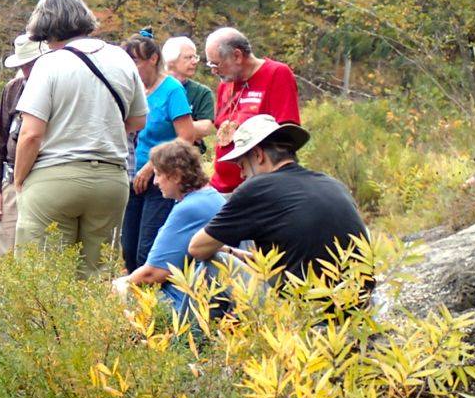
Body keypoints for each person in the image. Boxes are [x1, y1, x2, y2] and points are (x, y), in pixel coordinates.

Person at [12, 0, 148, 277]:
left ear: (45, 29)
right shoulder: (121, 58)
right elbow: (138, 120)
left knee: (44, 278)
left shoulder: (49, 64)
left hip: (55, 178)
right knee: (98, 275)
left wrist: (19, 179)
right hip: (111, 180)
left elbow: (31, 134)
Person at [187, 115, 367, 280]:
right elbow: (293, 259)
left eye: (241, 164)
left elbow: (197, 248)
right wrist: (237, 254)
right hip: (354, 305)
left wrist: (225, 251)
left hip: (299, 307)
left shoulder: (257, 188)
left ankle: (184, 316)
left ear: (258, 155)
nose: (241, 175)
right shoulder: (332, 184)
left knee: (215, 262)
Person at [115, 141, 224, 314]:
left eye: (158, 175)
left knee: (121, 293)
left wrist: (117, 287)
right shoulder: (210, 196)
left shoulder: (190, 208)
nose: (156, 182)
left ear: (176, 176)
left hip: (185, 305)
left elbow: (153, 274)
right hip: (207, 298)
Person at [120, 35, 197, 273]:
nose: (131, 67)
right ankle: (132, 304)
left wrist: (151, 166)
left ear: (153, 59)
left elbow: (186, 135)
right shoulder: (133, 90)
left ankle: (154, 305)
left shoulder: (172, 89)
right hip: (131, 178)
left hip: (160, 179)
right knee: (128, 248)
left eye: (135, 60)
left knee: (148, 248)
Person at [204, 27, 300, 195]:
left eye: (216, 64)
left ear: (237, 56)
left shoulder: (277, 74)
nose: (213, 70)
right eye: (210, 64)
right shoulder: (225, 85)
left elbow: (286, 139)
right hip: (220, 188)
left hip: (256, 190)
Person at [0, 34, 49, 258]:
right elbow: (0, 141)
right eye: (23, 65)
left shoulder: (56, 86)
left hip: (44, 178)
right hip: (10, 179)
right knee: (3, 254)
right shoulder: (12, 88)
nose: (26, 71)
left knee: (36, 252)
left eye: (30, 64)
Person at [161, 36, 217, 151]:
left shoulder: (202, 92)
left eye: (195, 57)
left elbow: (206, 127)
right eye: (188, 57)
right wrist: (188, 129)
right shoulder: (153, 87)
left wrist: (162, 125)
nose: (194, 61)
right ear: (171, 61)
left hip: (187, 158)